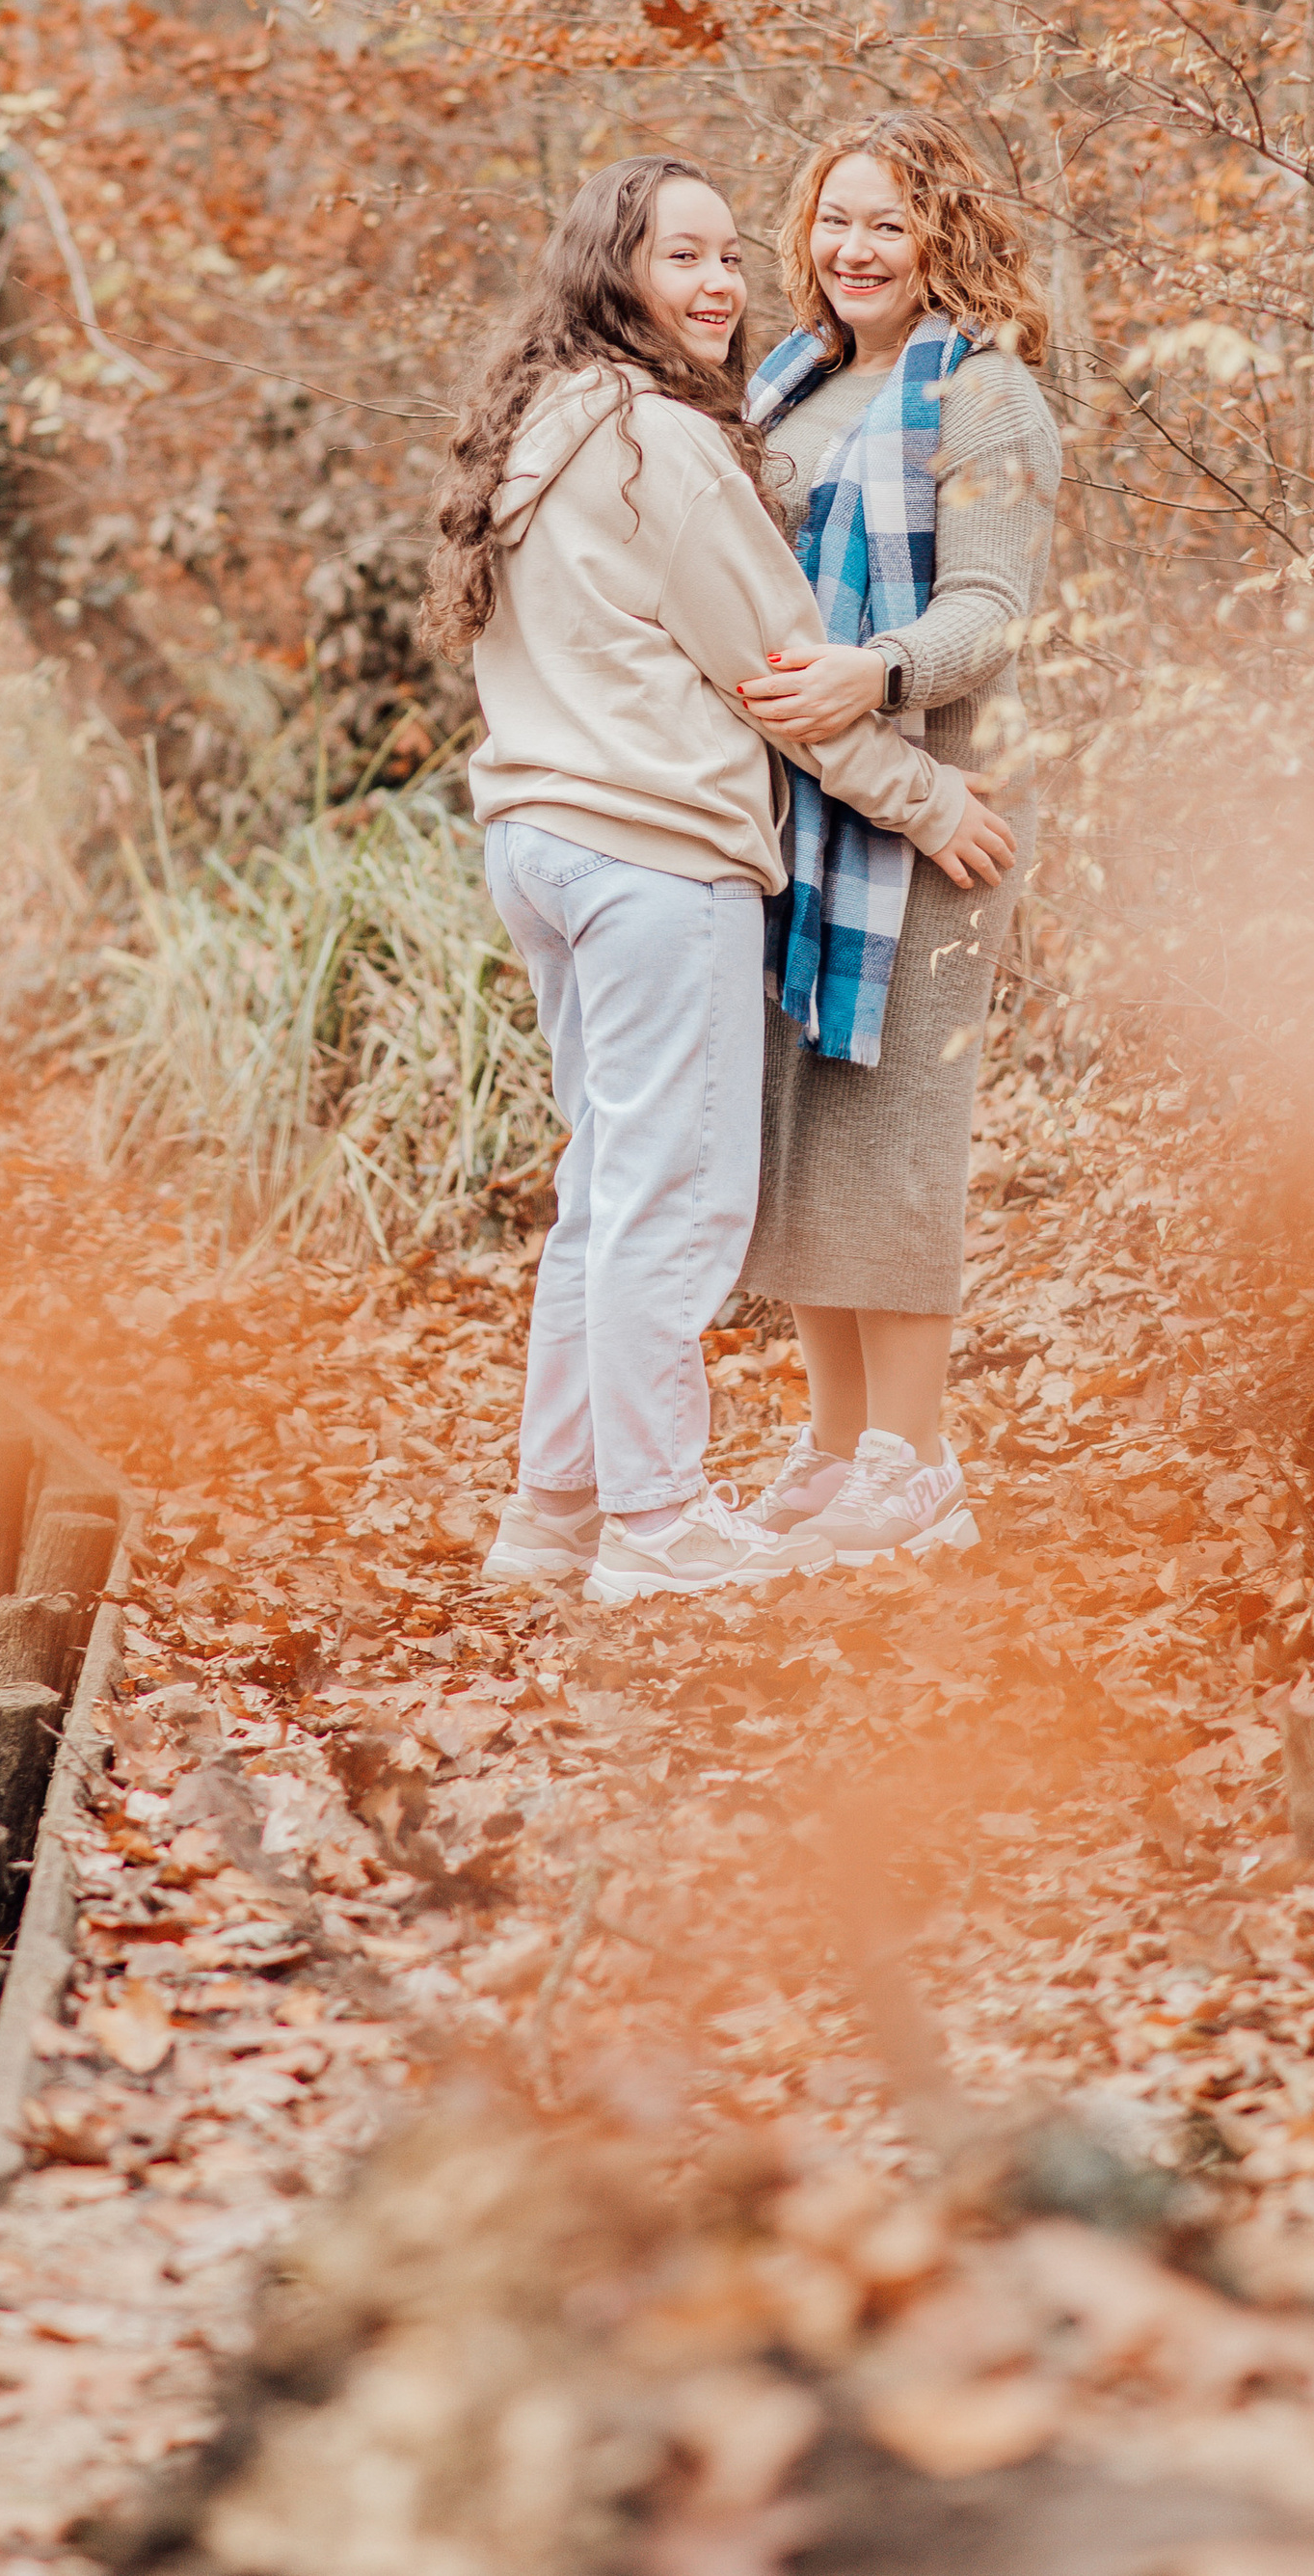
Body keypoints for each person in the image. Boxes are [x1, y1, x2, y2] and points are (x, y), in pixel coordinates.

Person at [419, 153, 1017, 1606]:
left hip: (541, 843)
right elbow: (783, 675)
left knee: (603, 1188)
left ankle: (554, 1515)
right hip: (650, 852)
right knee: (672, 1200)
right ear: (610, 272)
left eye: (731, 254)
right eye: (681, 257)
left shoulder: (540, 425)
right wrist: (931, 798)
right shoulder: (662, 446)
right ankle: (660, 1520)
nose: (719, 284)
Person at [734, 113, 1061, 1570]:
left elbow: (994, 612)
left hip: (942, 806)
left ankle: (917, 1462)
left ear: (941, 235)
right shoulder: (783, 383)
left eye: (886, 225)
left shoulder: (986, 399)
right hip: (796, 792)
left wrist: (879, 672)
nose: (853, 250)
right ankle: (831, 1441)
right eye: (834, 221)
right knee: (799, 1113)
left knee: (893, 1123)